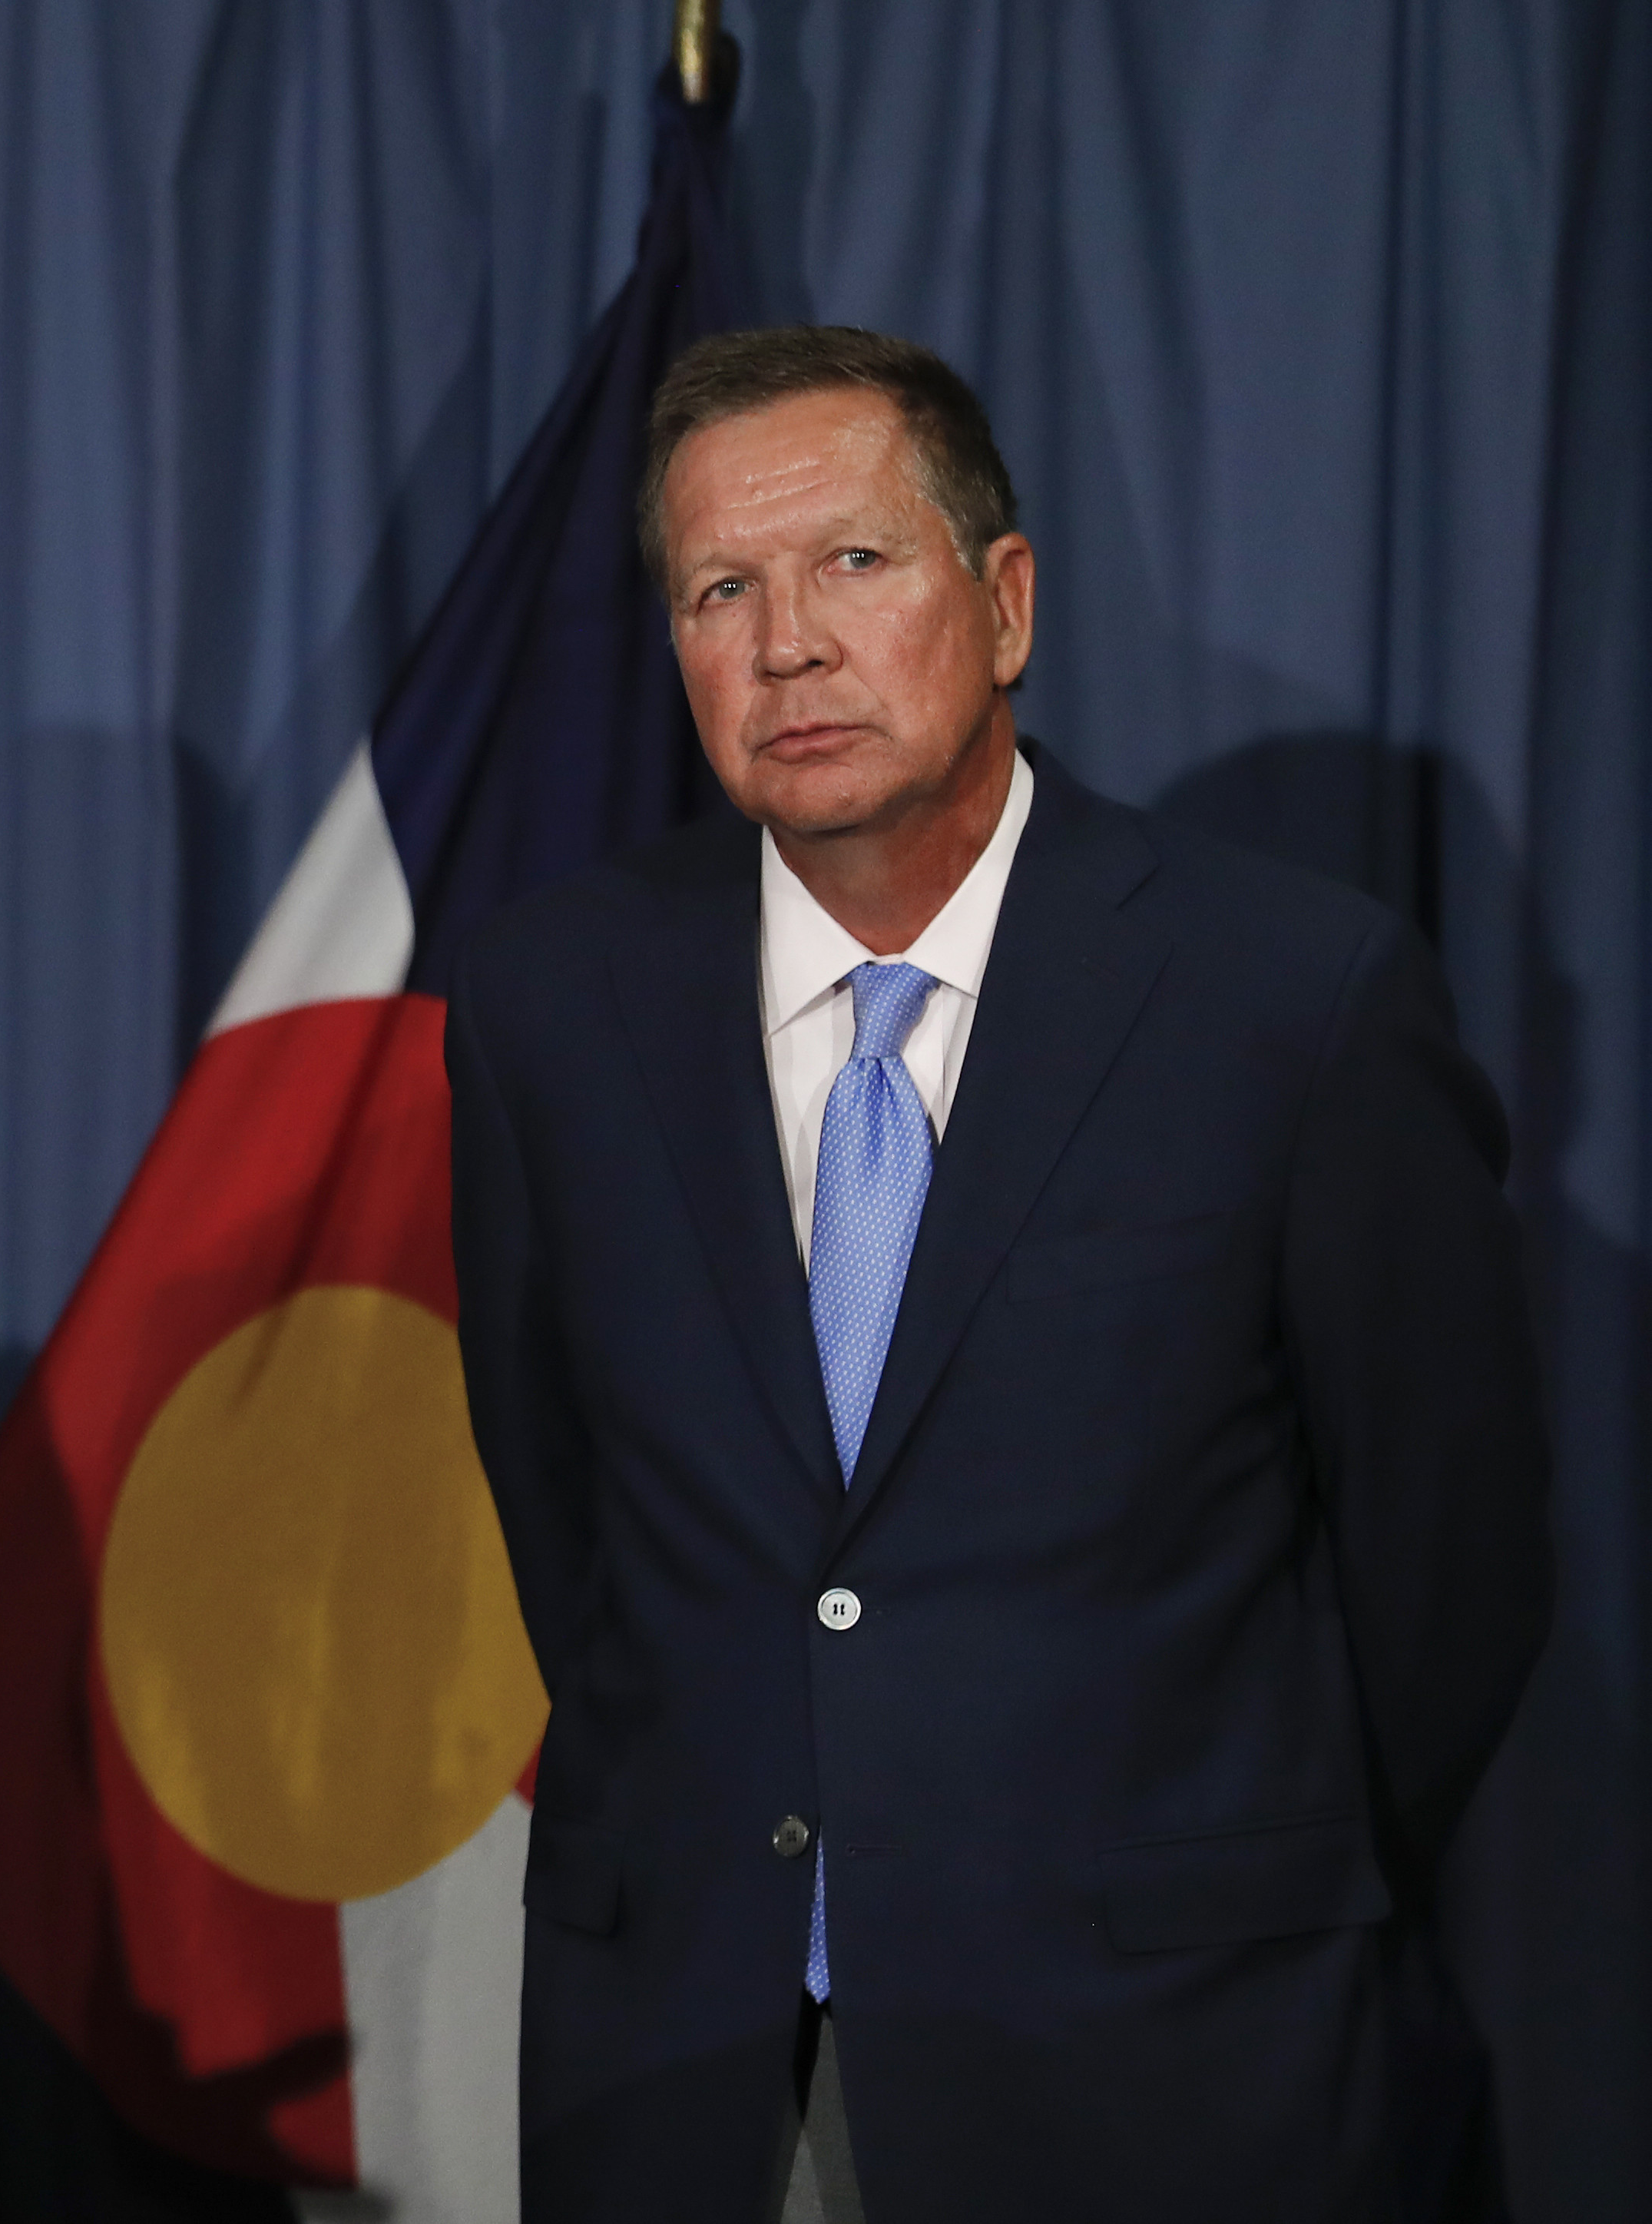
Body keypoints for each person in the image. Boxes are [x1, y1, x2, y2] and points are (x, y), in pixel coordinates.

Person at [445, 326, 1550, 2222]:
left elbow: (1443, 1573)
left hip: (1170, 2064)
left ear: (1005, 598)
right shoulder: (551, 1002)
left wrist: (1203, 1865)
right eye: (721, 587)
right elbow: (569, 1517)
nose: (785, 637)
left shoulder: (1288, 996)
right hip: (700, 2072)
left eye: (853, 562)